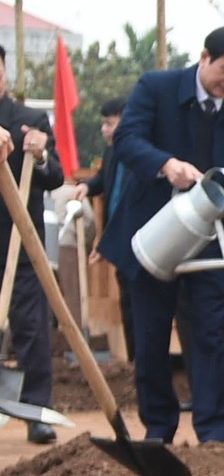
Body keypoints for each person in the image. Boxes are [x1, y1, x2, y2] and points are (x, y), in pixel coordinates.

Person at [101, 27, 224, 445]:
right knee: (152, 335)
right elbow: (126, 139)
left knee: (211, 334)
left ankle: (215, 434)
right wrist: (165, 164)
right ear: (205, 57)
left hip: (211, 240)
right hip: (153, 232)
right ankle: (159, 430)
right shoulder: (157, 88)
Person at [1, 49, 65, 442]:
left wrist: (39, 154)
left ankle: (36, 410)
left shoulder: (29, 122)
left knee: (31, 331)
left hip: (19, 247)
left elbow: (55, 177)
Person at [83, 95, 139, 365]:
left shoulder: (141, 153)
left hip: (139, 240)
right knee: (127, 301)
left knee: (140, 303)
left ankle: (144, 361)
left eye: (109, 123)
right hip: (119, 241)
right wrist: (88, 187)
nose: (104, 129)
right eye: (103, 124)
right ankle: (133, 362)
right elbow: (104, 180)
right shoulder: (112, 151)